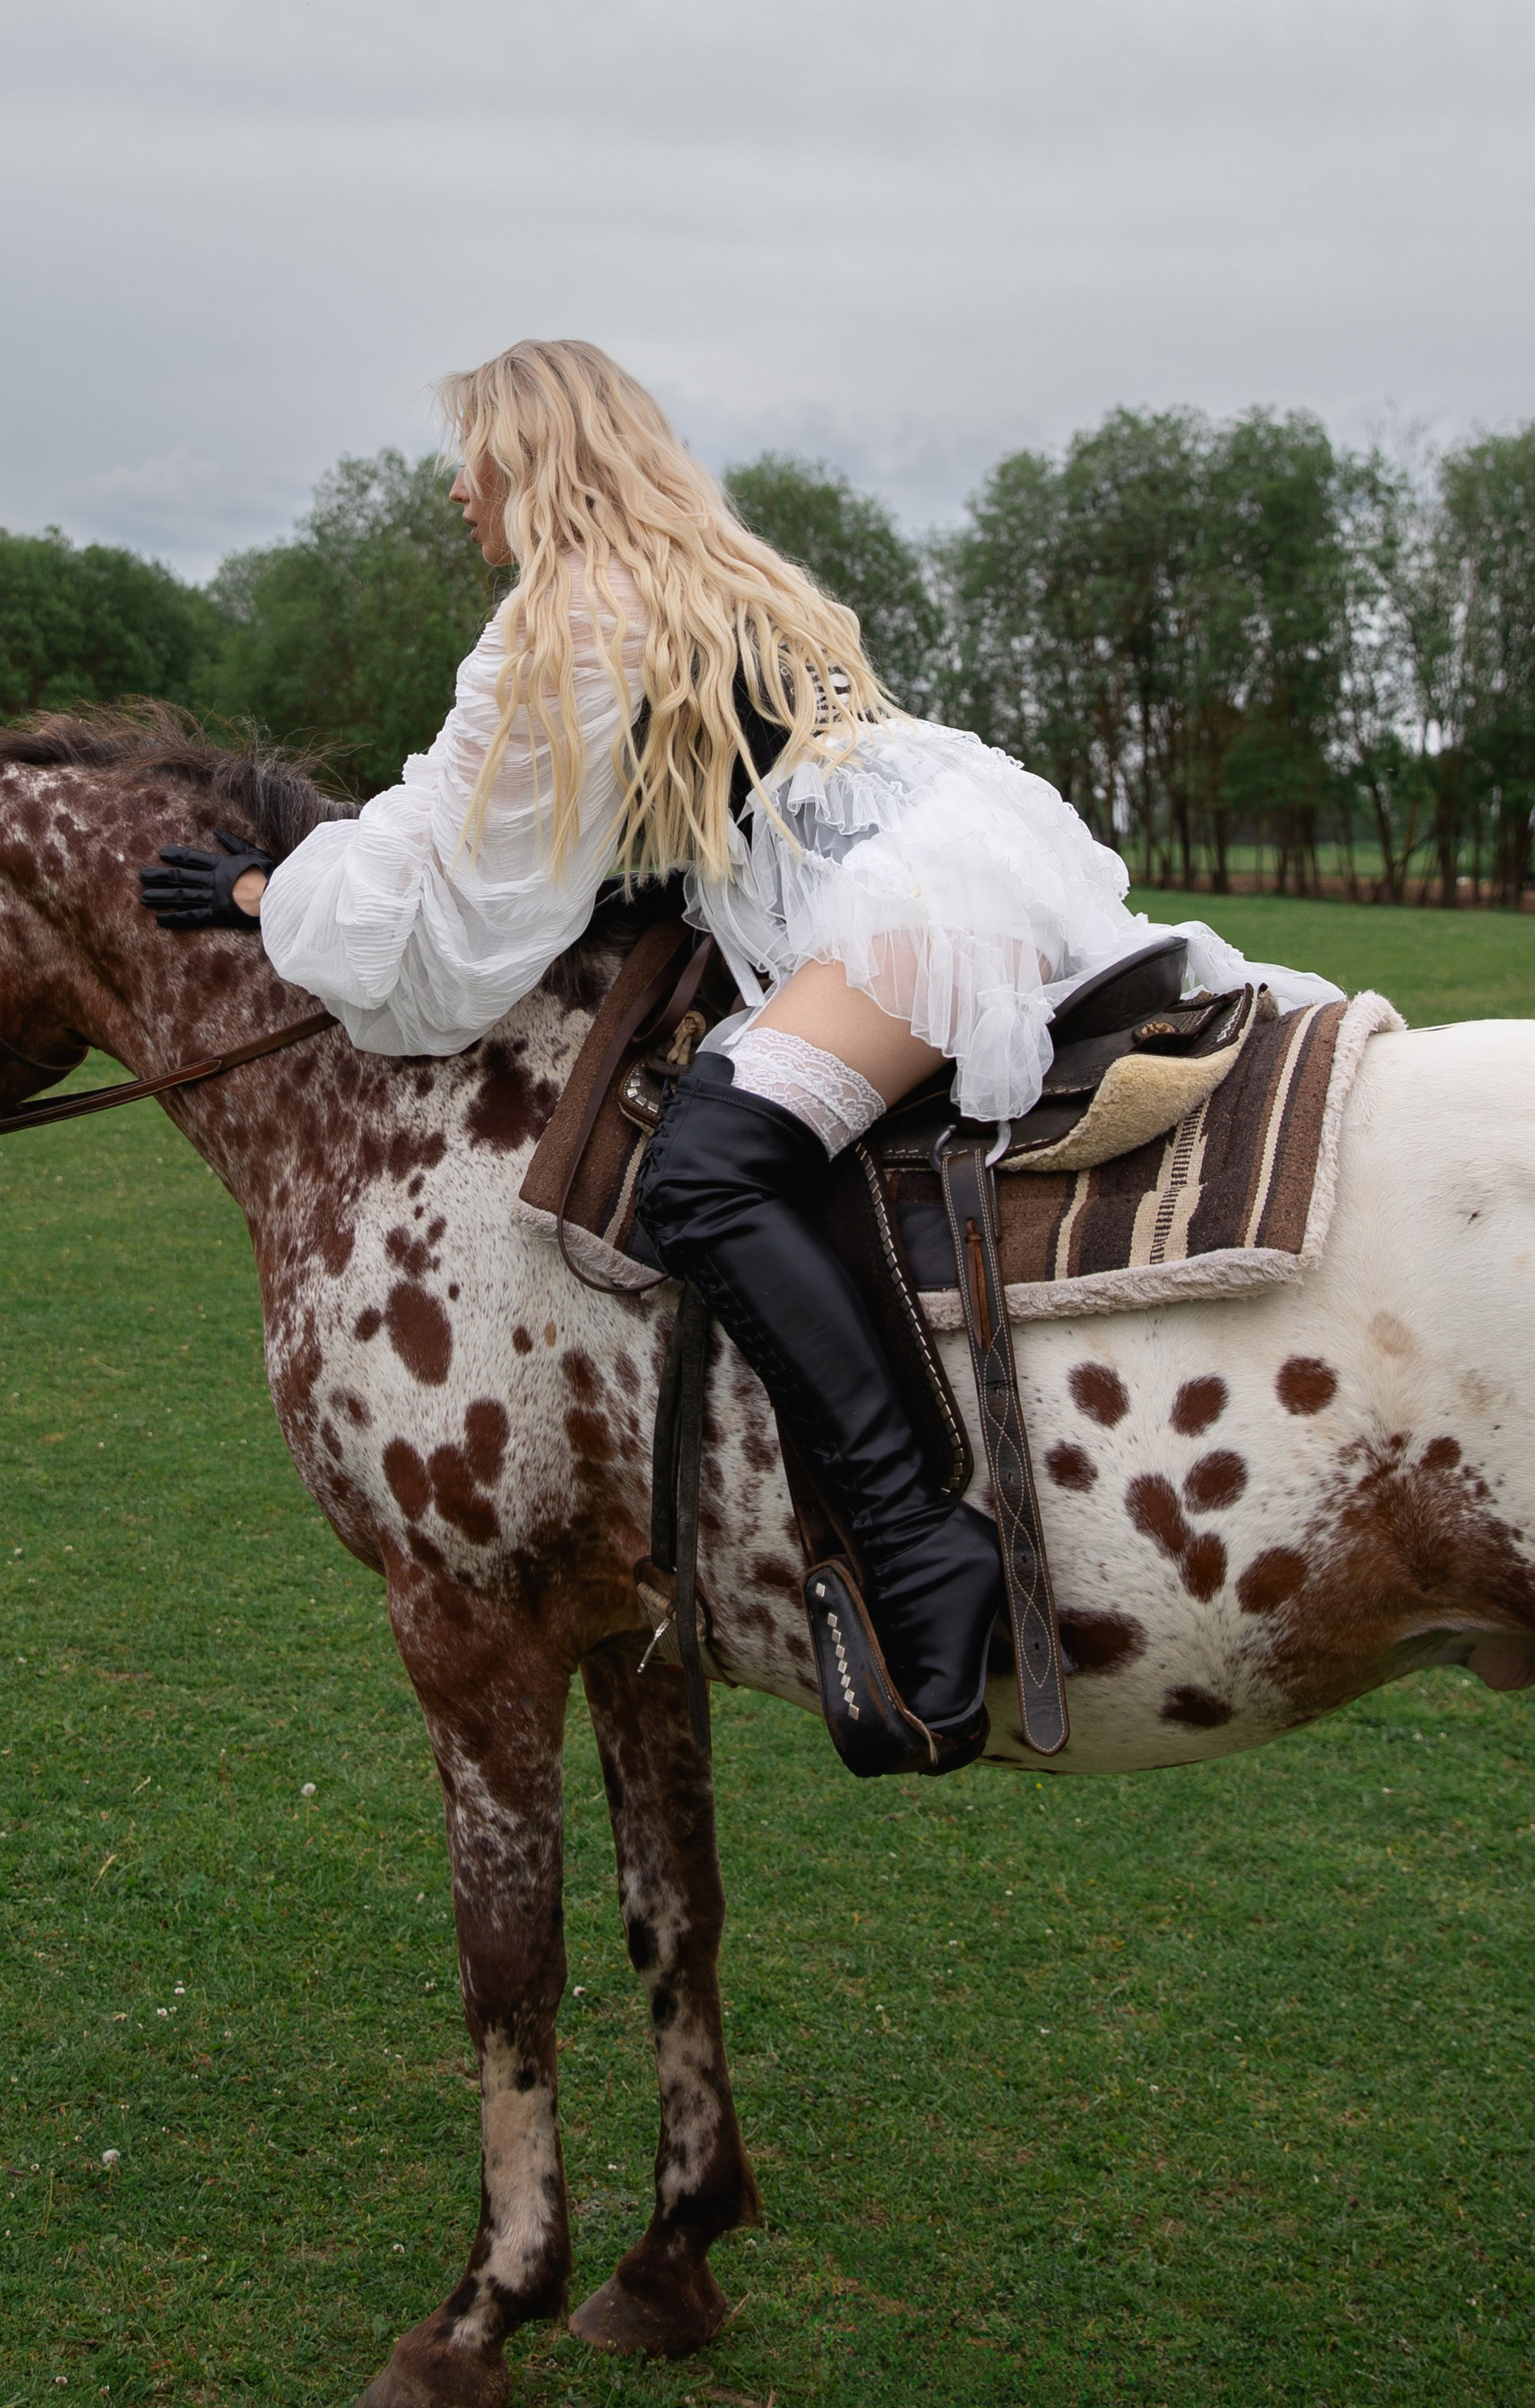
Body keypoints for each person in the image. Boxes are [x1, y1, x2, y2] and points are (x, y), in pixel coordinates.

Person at [141, 340, 1342, 1772]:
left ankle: (919, 1540)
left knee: (707, 1168)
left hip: (905, 900)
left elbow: (475, 898)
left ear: (532, 457)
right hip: (956, 847)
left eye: (474, 454)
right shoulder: (715, 566)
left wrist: (273, 898)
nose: (458, 488)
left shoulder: (571, 608)